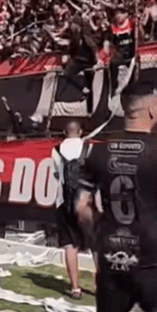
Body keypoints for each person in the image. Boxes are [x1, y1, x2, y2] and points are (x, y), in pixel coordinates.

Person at [74, 81, 157, 312]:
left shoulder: (98, 151)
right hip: (152, 257)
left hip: (112, 255)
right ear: (150, 109)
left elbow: (82, 207)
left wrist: (100, 234)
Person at [51, 120, 91, 300]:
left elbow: (57, 174)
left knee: (70, 246)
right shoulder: (88, 147)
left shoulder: (55, 150)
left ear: (64, 131)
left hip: (63, 202)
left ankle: (75, 288)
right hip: (86, 203)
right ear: (81, 131)